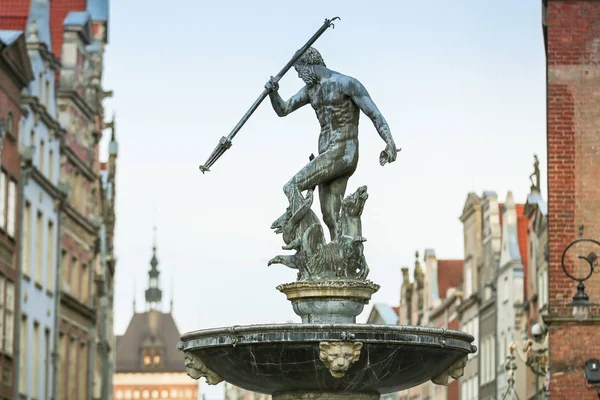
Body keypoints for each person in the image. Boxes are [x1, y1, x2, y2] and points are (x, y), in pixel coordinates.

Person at [265, 47, 398, 240]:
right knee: (330, 216)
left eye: (299, 72)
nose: (300, 77)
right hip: (327, 155)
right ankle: (341, 261)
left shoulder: (346, 83)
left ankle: (297, 233)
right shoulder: (311, 91)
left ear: (307, 66)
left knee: (292, 186)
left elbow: (374, 114)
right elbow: (284, 109)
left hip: (343, 151)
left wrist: (389, 142)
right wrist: (273, 93)